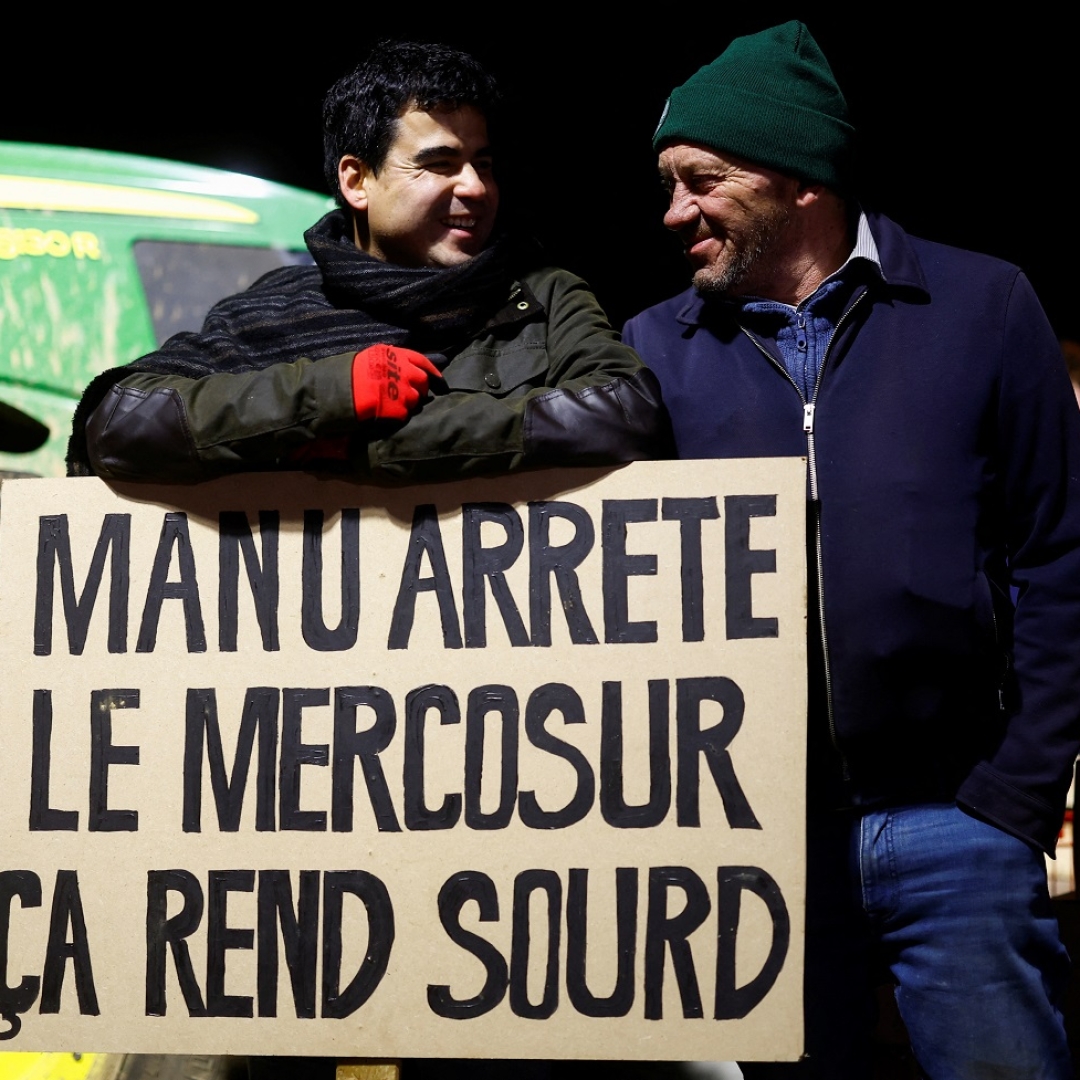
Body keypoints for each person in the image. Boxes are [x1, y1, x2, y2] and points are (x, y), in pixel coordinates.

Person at [623, 21, 1080, 1079]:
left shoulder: (983, 306)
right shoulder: (655, 349)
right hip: (758, 849)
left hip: (956, 822)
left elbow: (1057, 557)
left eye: (700, 180)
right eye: (668, 182)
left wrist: (1014, 797)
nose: (673, 211)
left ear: (800, 178)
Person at [66, 41, 669, 481]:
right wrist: (329, 392)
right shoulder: (272, 309)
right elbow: (121, 426)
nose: (477, 188)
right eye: (439, 164)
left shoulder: (541, 296)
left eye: (482, 164)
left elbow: (623, 412)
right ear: (357, 181)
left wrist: (371, 448)